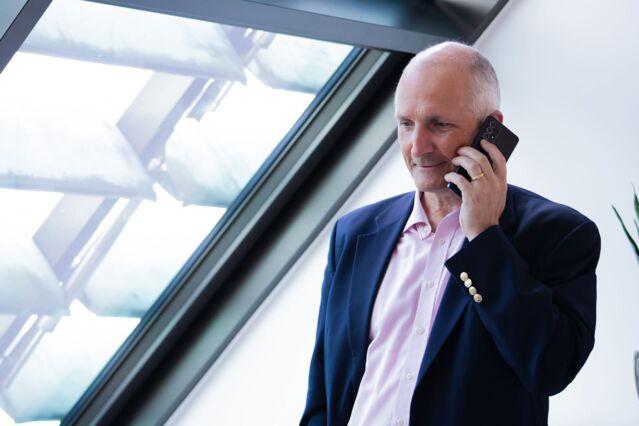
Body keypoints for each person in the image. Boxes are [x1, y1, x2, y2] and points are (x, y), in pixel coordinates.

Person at [300, 41, 601, 426]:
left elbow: (551, 367)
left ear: (491, 129)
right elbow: (323, 392)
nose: (418, 147)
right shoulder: (354, 233)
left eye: (439, 125)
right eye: (406, 124)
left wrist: (485, 238)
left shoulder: (557, 234)